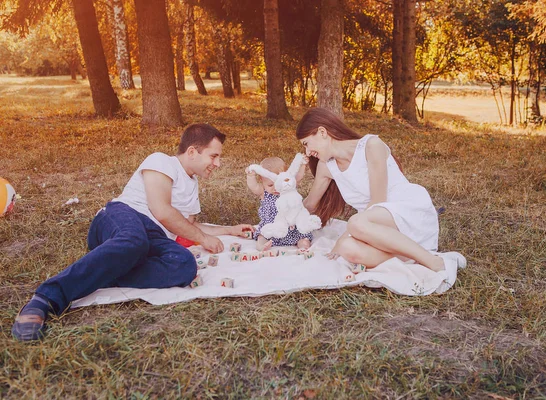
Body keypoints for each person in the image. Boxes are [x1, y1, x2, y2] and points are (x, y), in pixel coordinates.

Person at [12, 123, 254, 341]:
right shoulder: (162, 162)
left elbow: (188, 226)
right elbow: (162, 211)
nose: (218, 164)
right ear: (192, 151)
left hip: (154, 237)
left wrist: (229, 230)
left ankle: (107, 266)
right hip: (122, 217)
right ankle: (46, 298)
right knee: (134, 241)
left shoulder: (193, 187)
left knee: (184, 265)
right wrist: (202, 238)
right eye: (214, 156)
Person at [296, 107, 456, 272]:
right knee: (346, 247)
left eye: (306, 143)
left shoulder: (371, 145)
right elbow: (310, 205)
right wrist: (285, 198)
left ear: (322, 132)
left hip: (405, 209)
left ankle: (434, 262)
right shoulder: (326, 166)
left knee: (354, 224)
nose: (307, 152)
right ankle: (412, 256)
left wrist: (345, 235)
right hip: (373, 229)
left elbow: (378, 201)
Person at [245, 156, 312, 251]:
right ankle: (261, 246)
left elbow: (298, 178)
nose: (275, 188)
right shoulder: (264, 192)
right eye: (270, 185)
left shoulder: (288, 188)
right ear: (261, 180)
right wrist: (250, 176)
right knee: (262, 236)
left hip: (291, 229)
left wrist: (302, 165)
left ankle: (303, 245)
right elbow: (253, 186)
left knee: (302, 235)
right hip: (271, 228)